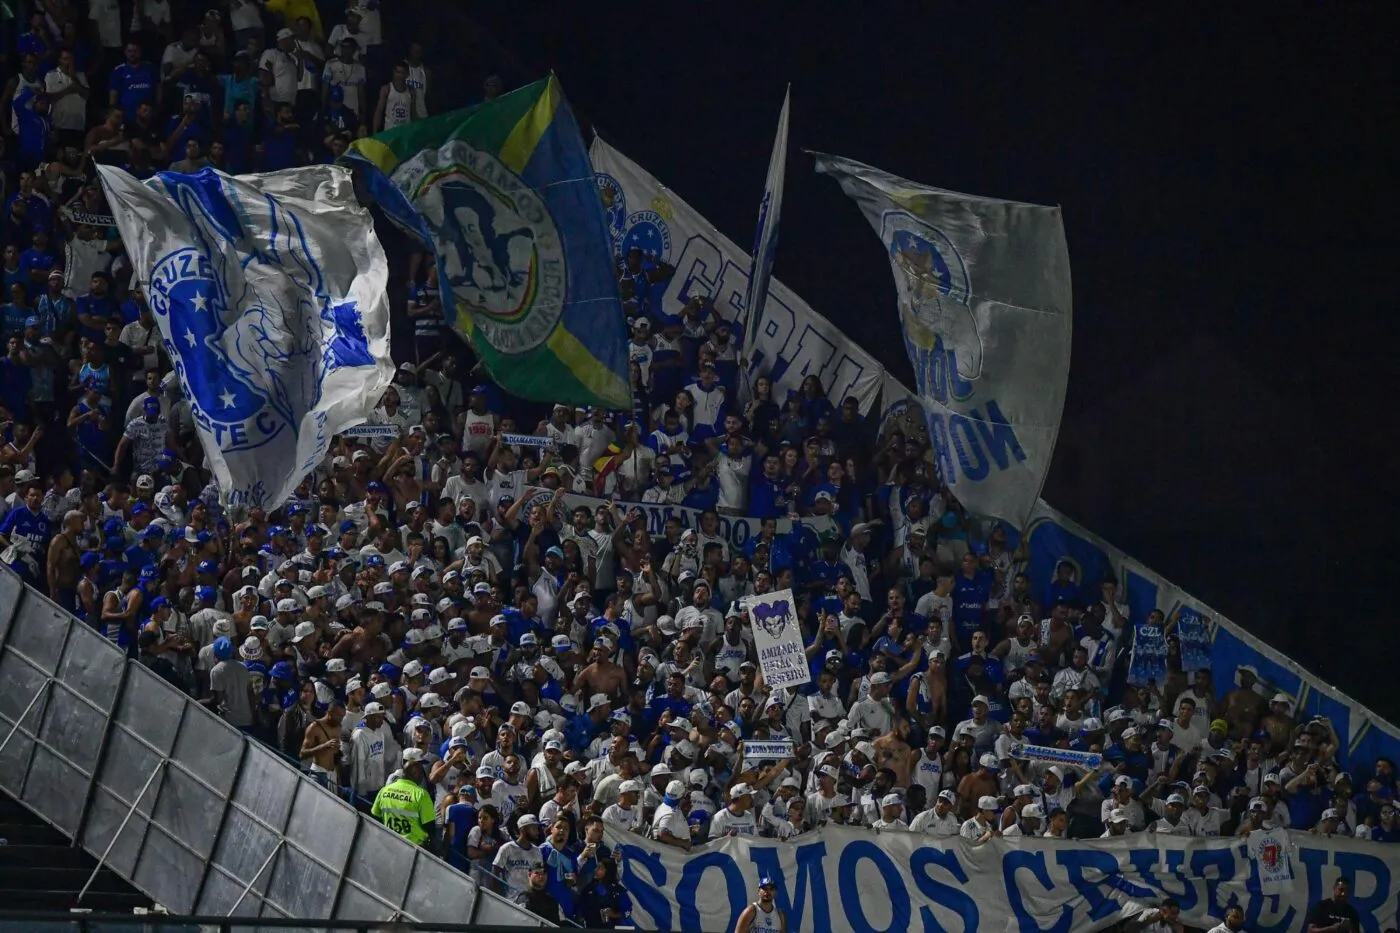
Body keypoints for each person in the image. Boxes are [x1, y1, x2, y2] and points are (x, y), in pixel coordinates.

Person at [371, 749, 437, 846]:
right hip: (414, 848)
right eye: (420, 771)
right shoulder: (421, 794)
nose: (423, 775)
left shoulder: (384, 791)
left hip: (388, 844)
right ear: (415, 773)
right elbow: (430, 827)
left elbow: (375, 816)